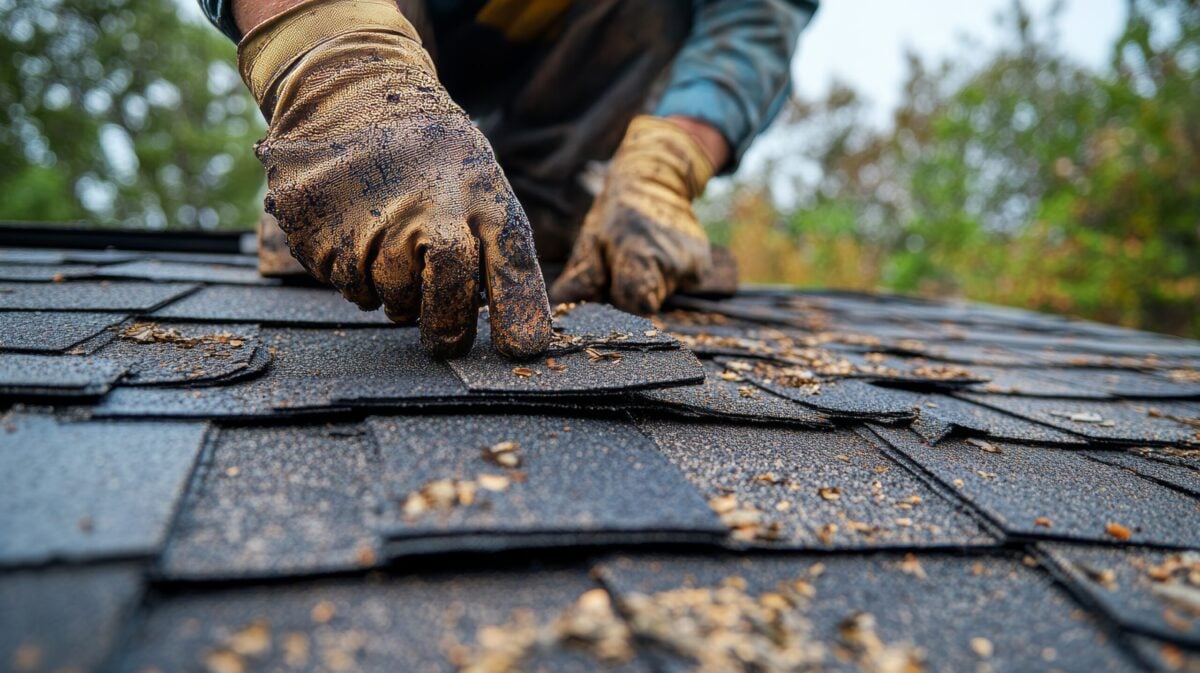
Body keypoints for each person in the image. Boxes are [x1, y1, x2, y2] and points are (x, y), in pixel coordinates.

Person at [199, 0, 815, 357]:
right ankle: (357, 166)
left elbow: (752, 15)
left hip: (573, 83)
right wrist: (341, 69)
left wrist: (666, 165)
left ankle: (549, 214)